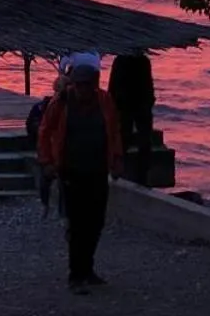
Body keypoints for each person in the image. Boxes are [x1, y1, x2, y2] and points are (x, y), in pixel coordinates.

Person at [36, 52, 122, 292]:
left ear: (94, 85)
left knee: (96, 222)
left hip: (97, 169)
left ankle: (88, 268)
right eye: (80, 85)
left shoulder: (104, 101)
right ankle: (76, 274)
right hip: (71, 170)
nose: (84, 90)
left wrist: (116, 159)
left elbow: (114, 131)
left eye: (88, 86)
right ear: (73, 84)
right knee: (77, 223)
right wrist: (47, 162)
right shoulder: (60, 102)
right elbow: (44, 132)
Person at [108, 47, 156, 185]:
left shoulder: (141, 61)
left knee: (142, 140)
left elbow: (148, 83)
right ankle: (121, 171)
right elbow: (113, 85)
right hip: (127, 105)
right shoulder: (122, 60)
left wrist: (149, 101)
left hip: (138, 105)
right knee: (125, 138)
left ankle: (141, 174)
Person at [24, 93, 54, 216]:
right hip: (46, 146)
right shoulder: (40, 108)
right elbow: (30, 126)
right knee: (45, 177)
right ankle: (45, 204)